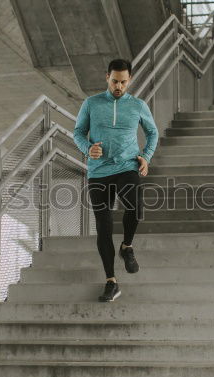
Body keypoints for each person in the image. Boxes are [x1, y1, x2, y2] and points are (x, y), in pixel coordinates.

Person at [73, 58, 159, 302]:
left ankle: (127, 246)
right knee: (104, 225)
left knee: (136, 208)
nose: (118, 86)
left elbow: (152, 132)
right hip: (99, 172)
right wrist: (88, 149)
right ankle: (111, 281)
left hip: (127, 166)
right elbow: (78, 132)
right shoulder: (91, 103)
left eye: (123, 82)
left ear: (129, 80)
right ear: (106, 78)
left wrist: (146, 157)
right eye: (114, 81)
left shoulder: (138, 105)